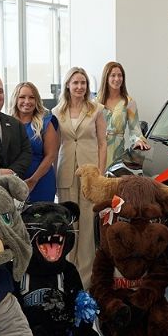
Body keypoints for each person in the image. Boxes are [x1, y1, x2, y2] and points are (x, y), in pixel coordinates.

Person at [54, 67, 107, 287]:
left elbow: (103, 143)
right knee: (68, 224)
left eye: (83, 83)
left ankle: (85, 280)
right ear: (68, 84)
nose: (79, 87)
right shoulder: (57, 111)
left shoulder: (96, 109)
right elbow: (55, 144)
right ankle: (67, 275)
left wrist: (100, 174)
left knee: (86, 225)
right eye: (75, 82)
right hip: (65, 173)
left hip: (89, 174)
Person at [10, 81, 58, 202]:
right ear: (15, 99)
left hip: (41, 181)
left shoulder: (46, 123)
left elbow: (51, 156)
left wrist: (33, 180)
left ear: (36, 101)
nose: (27, 101)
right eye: (22, 97)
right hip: (13, 182)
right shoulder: (7, 123)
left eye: (32, 97)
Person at [97, 62, 149, 172]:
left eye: (120, 75)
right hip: (96, 151)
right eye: (113, 75)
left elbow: (135, 130)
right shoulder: (95, 102)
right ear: (106, 78)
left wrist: (139, 140)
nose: (117, 79)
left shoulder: (129, 102)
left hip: (117, 153)